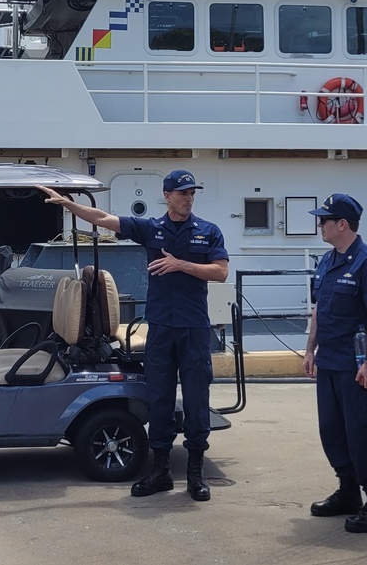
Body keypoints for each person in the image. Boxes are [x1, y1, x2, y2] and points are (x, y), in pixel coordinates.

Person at [35, 170, 228, 502]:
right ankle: (161, 470)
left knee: (197, 401)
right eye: (182, 193)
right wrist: (70, 206)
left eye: (192, 193)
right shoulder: (152, 228)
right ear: (167, 195)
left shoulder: (208, 231)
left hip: (194, 329)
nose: (188, 198)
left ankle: (195, 473)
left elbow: (221, 272)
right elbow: (104, 218)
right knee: (159, 400)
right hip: (161, 329)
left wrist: (181, 265)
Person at [302, 193, 367, 533]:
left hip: (357, 367)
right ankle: (348, 492)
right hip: (330, 363)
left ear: (342, 224)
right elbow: (319, 309)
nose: (319, 225)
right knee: (333, 432)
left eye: (324, 220)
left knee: (363, 435)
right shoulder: (328, 261)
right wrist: (310, 349)